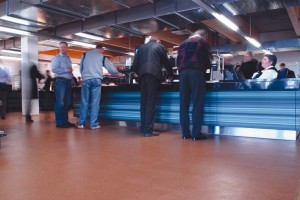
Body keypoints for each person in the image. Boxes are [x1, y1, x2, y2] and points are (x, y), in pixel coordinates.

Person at [132, 36, 172, 137]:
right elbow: (166, 62)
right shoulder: (160, 46)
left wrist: (140, 73)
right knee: (150, 102)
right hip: (153, 75)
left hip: (142, 76)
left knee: (144, 102)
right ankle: (148, 131)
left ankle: (143, 128)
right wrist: (170, 74)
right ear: (158, 40)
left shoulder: (141, 48)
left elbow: (134, 65)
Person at [177, 29, 211, 140]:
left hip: (183, 74)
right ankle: (196, 134)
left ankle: (185, 133)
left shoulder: (182, 43)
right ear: (204, 35)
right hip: (197, 73)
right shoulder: (203, 42)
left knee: (184, 104)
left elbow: (178, 61)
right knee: (197, 103)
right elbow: (207, 61)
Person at [78, 44, 121, 129]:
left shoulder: (85, 54)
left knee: (84, 101)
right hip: (96, 80)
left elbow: (81, 68)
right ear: (101, 49)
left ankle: (81, 124)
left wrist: (84, 76)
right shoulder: (102, 56)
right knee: (95, 102)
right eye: (103, 50)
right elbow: (110, 68)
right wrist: (117, 74)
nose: (103, 52)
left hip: (86, 79)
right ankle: (93, 124)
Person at [51, 41, 75, 128]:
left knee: (66, 103)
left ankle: (65, 121)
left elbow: (70, 70)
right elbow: (54, 69)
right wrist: (66, 70)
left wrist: (72, 79)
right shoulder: (56, 58)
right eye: (61, 47)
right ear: (59, 48)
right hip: (60, 81)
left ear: (67, 48)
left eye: (64, 47)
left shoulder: (68, 58)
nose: (62, 48)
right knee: (60, 102)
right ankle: (59, 122)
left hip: (68, 82)